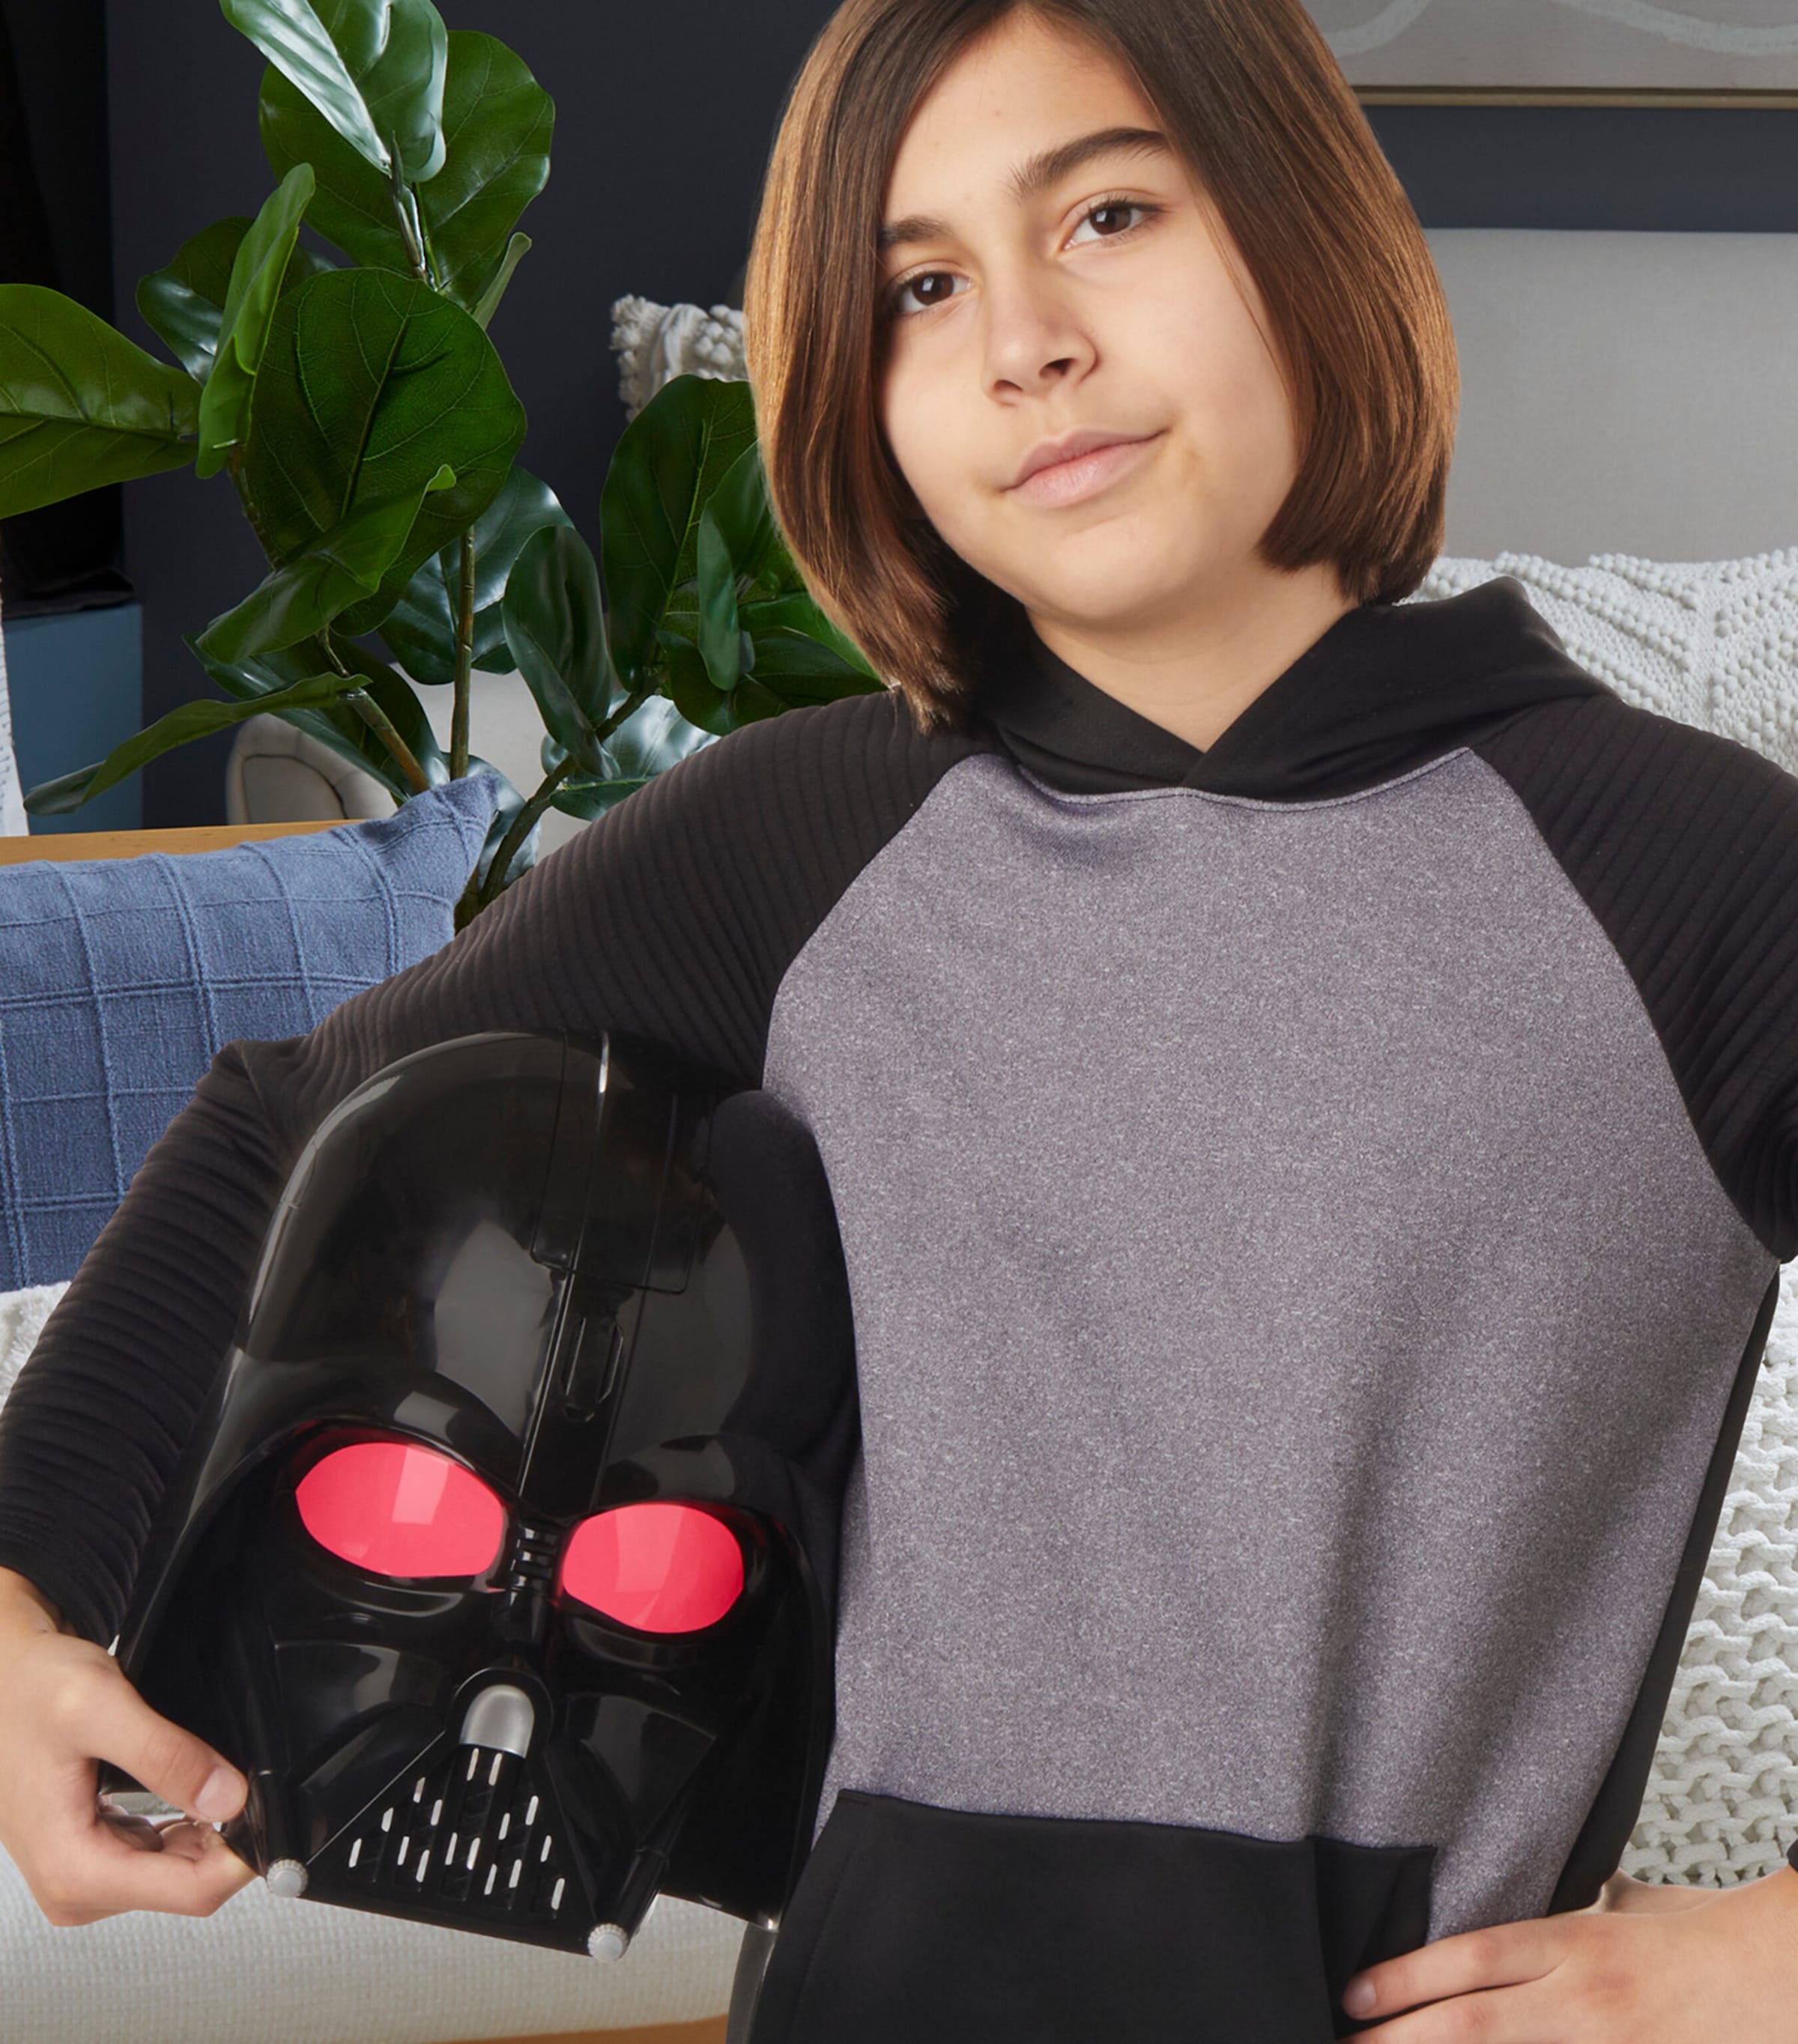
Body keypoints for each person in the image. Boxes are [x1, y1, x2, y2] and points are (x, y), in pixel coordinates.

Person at [2, 1, 1797, 2037]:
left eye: (1107, 214)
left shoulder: (1687, 876)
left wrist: (1765, 1956)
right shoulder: (800, 839)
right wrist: (20, 1598)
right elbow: (286, 1123)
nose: (1024, 340)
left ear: (1309, 225)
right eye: (922, 287)